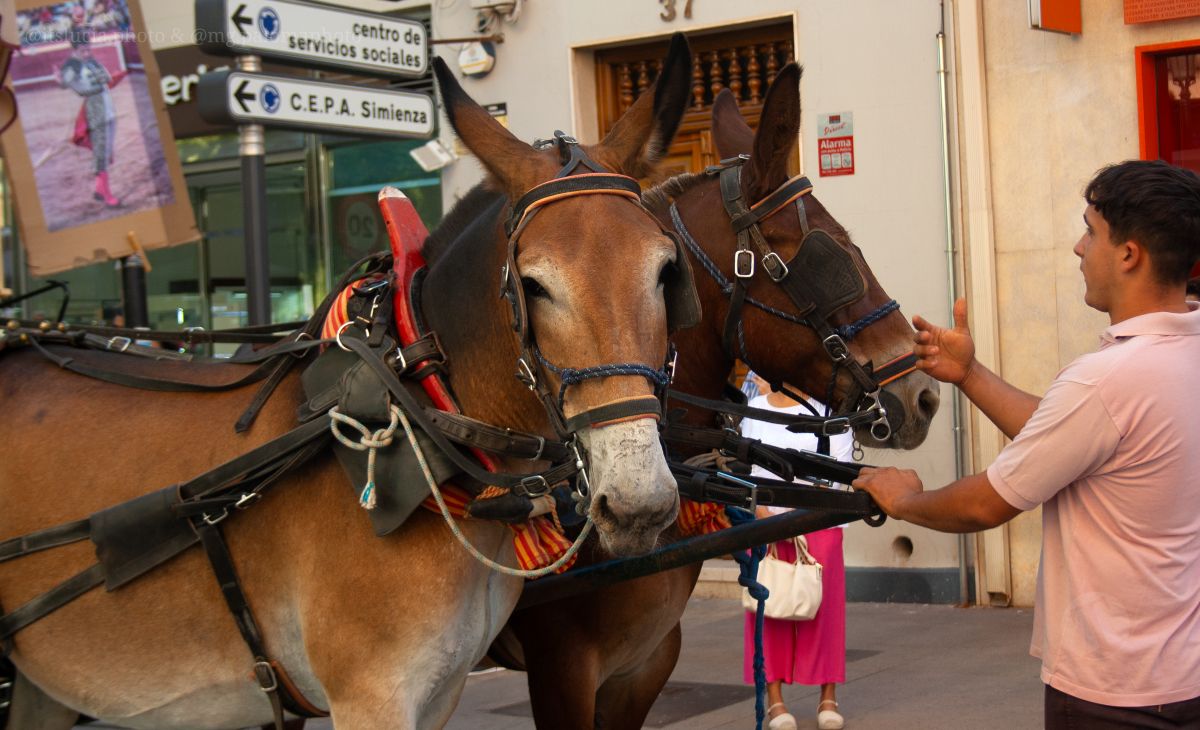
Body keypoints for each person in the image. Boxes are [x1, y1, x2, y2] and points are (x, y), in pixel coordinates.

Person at [853, 159, 1200, 728]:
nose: (1077, 247)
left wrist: (901, 500)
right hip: (1182, 678)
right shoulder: (1179, 349)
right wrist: (970, 374)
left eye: (1091, 230)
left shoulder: (1104, 382)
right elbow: (1075, 440)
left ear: (1129, 254)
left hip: (1115, 694)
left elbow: (986, 503)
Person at [741, 383, 854, 730]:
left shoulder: (830, 414)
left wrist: (799, 518)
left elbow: (838, 473)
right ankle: (774, 700)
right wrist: (762, 514)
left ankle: (828, 696)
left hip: (818, 522)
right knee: (768, 612)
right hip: (766, 523)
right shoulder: (754, 410)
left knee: (825, 611)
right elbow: (746, 471)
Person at [58, 11, 125, 208]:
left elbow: (107, 80)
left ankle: (99, 190)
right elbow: (73, 87)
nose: (88, 52)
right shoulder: (73, 65)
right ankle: (106, 194)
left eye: (89, 48)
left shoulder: (92, 61)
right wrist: (93, 87)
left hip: (108, 109)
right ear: (76, 50)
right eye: (84, 50)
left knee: (104, 151)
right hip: (96, 113)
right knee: (101, 153)